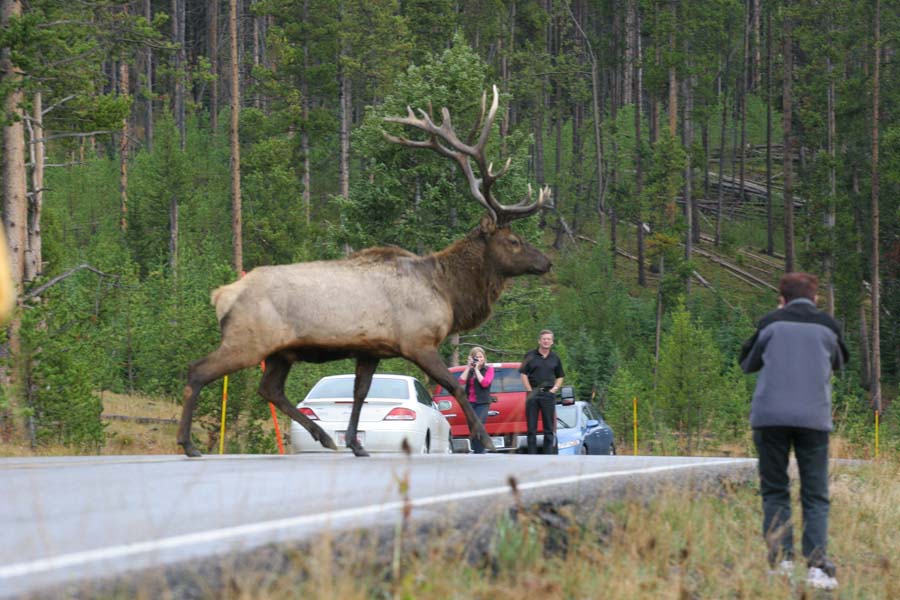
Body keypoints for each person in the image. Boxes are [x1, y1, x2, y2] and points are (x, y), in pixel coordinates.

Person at [739, 272, 848, 591]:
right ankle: (817, 566)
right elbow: (841, 362)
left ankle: (781, 561)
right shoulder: (828, 326)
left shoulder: (770, 322)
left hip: (770, 418)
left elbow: (747, 363)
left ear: (782, 298)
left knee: (775, 488)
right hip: (813, 419)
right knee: (815, 493)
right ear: (814, 299)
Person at [519, 330, 565, 454]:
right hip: (532, 393)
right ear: (539, 341)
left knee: (549, 428)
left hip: (548, 395)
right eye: (544, 339)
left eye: (549, 339)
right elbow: (523, 373)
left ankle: (548, 455)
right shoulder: (530, 355)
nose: (546, 341)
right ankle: (532, 455)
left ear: (552, 342)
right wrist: (529, 389)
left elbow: (560, 376)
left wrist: (554, 389)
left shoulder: (555, 358)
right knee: (531, 427)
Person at [459, 347, 494, 454]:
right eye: (476, 357)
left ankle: (481, 450)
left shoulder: (488, 369)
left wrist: (477, 370)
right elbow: (461, 381)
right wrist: (468, 367)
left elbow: (485, 383)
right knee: (472, 427)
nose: (478, 359)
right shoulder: (469, 369)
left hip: (482, 402)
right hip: (470, 402)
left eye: (480, 357)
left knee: (478, 425)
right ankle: (476, 450)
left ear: (484, 358)